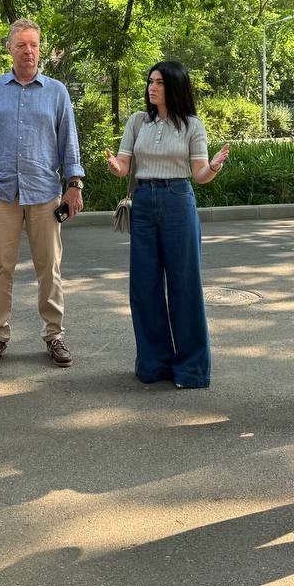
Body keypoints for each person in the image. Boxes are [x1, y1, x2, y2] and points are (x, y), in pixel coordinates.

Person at [105, 61, 230, 388]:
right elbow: (124, 165)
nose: (152, 87)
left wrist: (214, 166)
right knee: (144, 287)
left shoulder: (192, 125)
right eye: (150, 81)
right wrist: (116, 168)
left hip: (178, 200)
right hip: (144, 201)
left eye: (159, 82)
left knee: (184, 285)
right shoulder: (137, 122)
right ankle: (153, 363)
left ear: (174, 86)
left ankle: (191, 369)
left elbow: (200, 175)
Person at [0, 19, 85, 369]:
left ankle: (54, 335)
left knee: (48, 268)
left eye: (34, 44)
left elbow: (69, 140)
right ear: (10, 48)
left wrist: (74, 184)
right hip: (1, 192)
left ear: (40, 49)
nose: (29, 51)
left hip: (45, 192)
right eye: (21, 44)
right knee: (0, 268)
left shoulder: (56, 91)